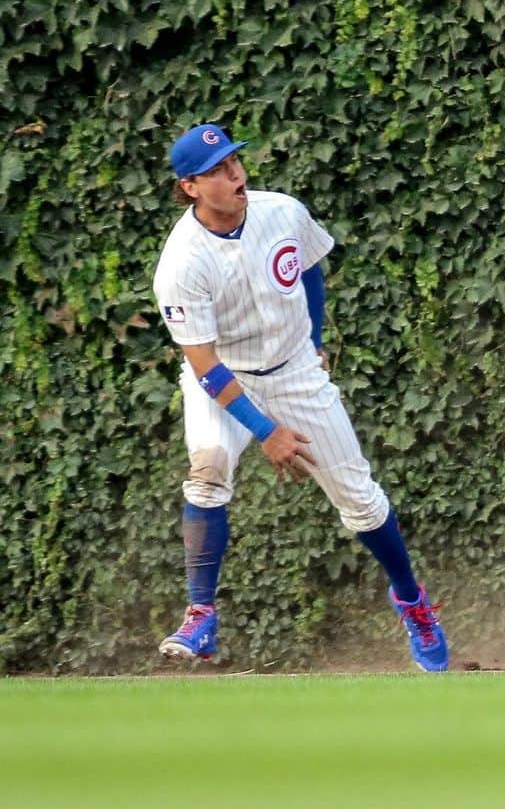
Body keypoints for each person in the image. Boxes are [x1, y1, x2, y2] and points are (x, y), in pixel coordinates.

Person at [152, 123, 449, 671]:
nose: (234, 174)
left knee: (360, 500)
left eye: (235, 162)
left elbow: (309, 270)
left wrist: (312, 344)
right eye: (217, 170)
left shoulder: (282, 211)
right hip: (225, 377)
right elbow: (204, 367)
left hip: (295, 375)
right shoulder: (180, 263)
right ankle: (200, 615)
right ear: (190, 186)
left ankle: (412, 600)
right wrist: (267, 431)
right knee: (208, 469)